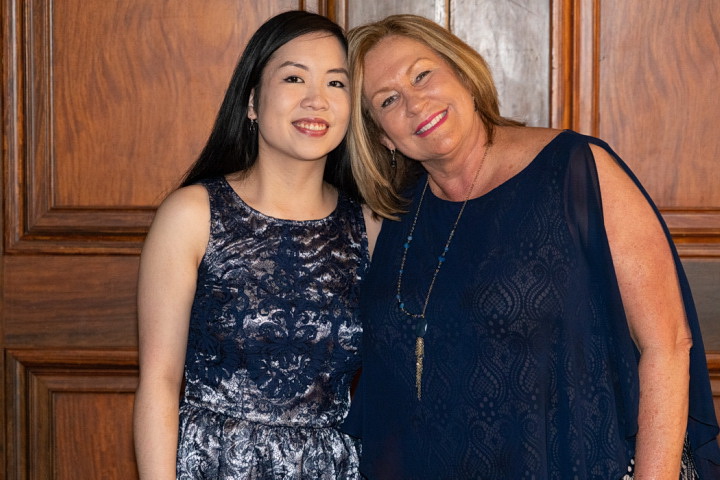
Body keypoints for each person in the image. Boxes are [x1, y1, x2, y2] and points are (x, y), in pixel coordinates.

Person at [343, 14, 720, 479]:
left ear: (464, 76)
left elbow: (668, 342)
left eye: (422, 75)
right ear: (382, 135)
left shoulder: (577, 169)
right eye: (388, 99)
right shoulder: (391, 216)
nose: (415, 103)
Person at [133, 10, 380, 479]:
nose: (316, 100)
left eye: (336, 83)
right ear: (251, 102)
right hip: (214, 465)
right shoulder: (193, 214)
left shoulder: (369, 226)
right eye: (294, 78)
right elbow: (159, 384)